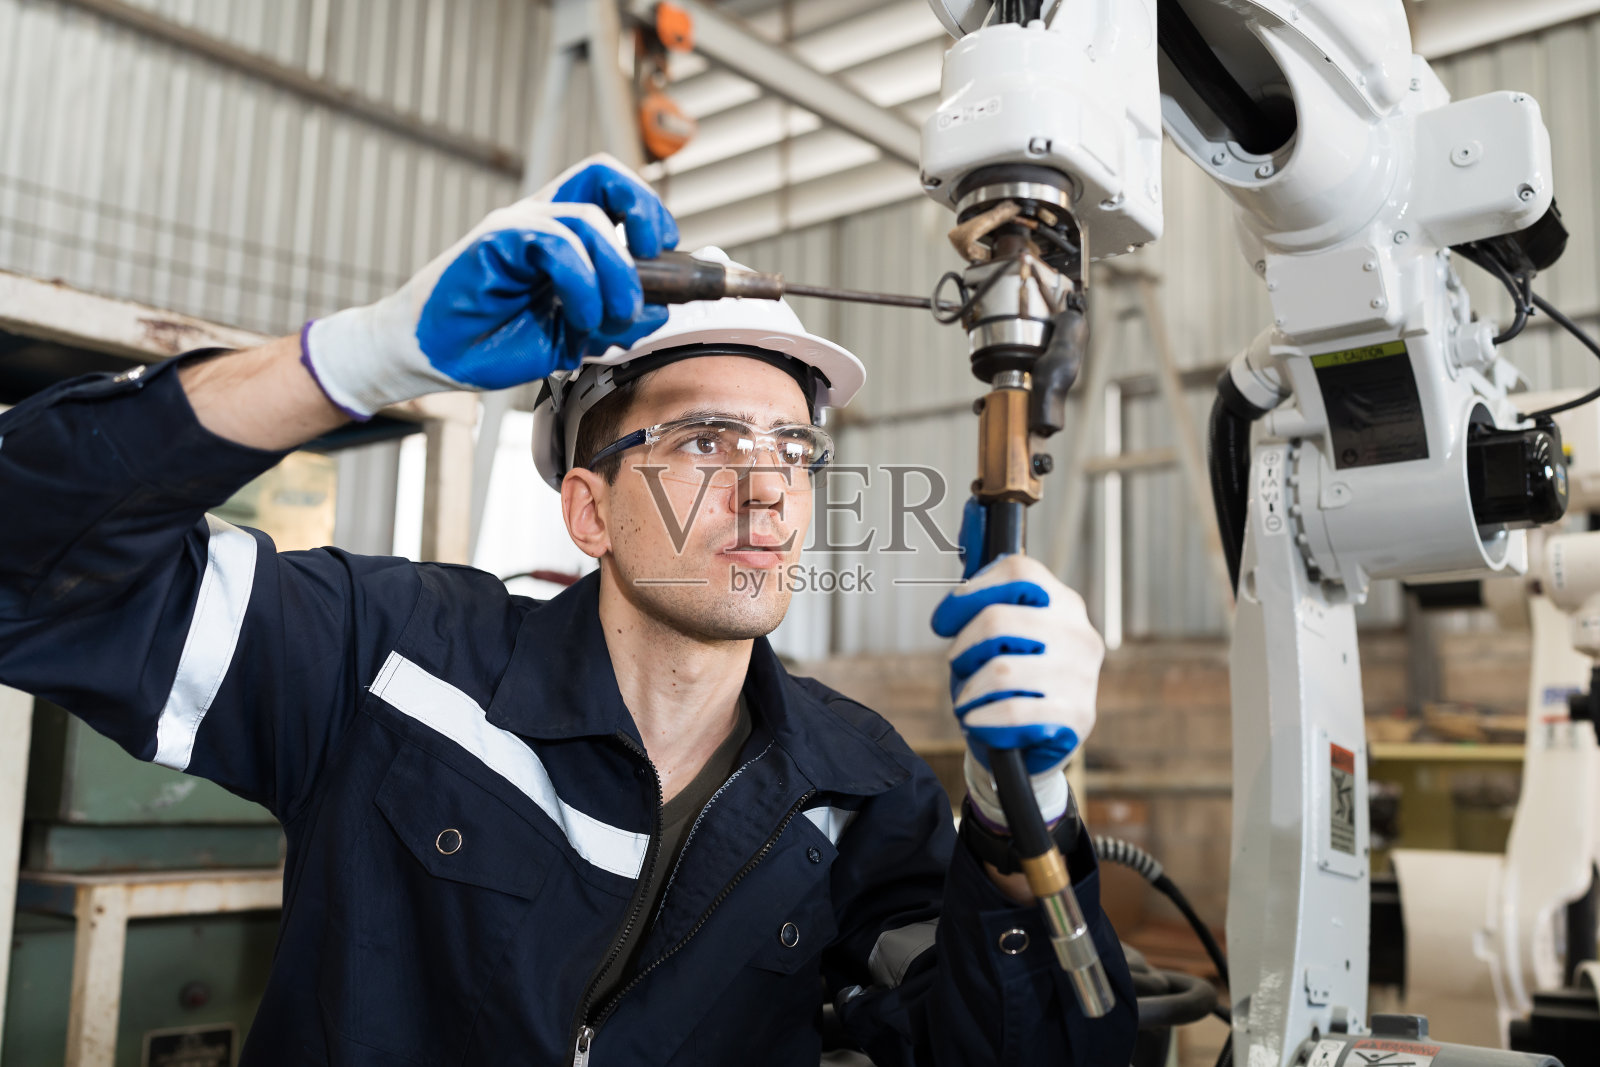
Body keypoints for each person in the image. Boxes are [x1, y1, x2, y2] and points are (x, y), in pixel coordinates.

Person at [0, 155, 1134, 1065]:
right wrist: (361, 355)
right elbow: (27, 567)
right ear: (588, 510)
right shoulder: (389, 663)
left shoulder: (860, 781)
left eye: (793, 448)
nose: (765, 488)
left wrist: (1021, 801)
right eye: (702, 441)